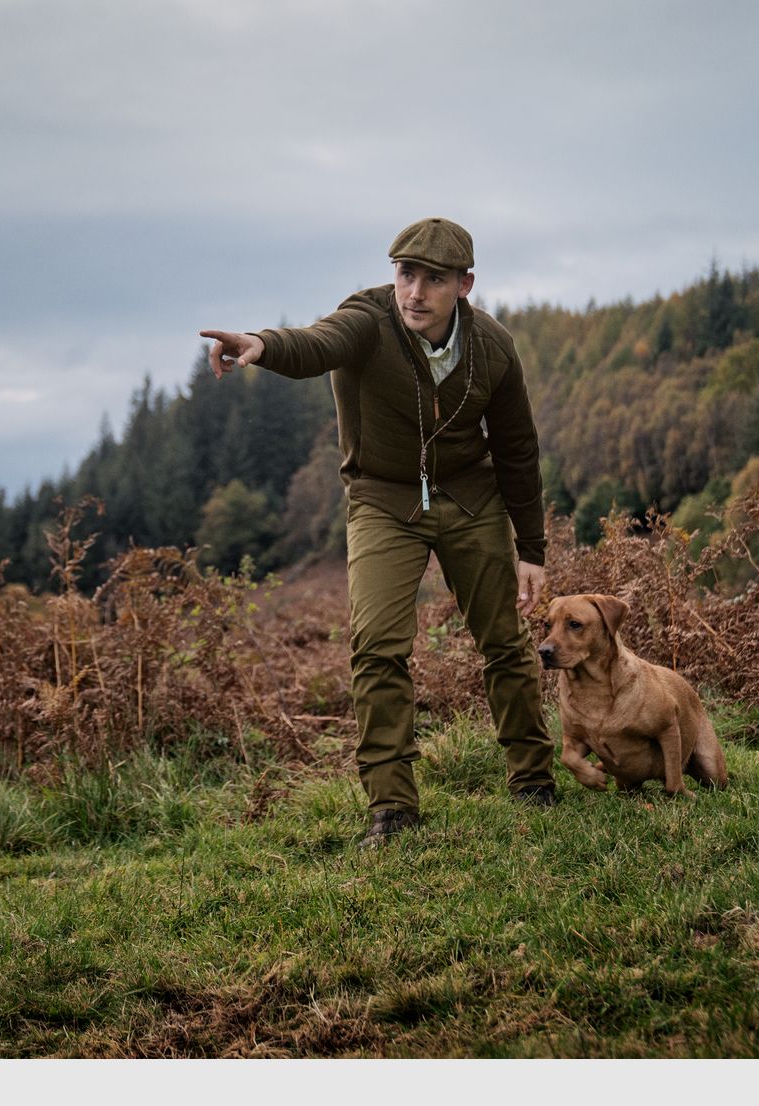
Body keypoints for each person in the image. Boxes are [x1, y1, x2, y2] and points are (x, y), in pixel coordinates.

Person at [199, 216, 556, 850]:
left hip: (471, 499)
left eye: (433, 279)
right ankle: (392, 806)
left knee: (504, 642)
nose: (414, 292)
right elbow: (317, 343)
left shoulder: (494, 349)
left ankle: (533, 782)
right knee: (378, 646)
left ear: (465, 285)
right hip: (383, 500)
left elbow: (517, 449)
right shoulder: (368, 319)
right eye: (405, 274)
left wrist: (531, 549)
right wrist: (261, 344)